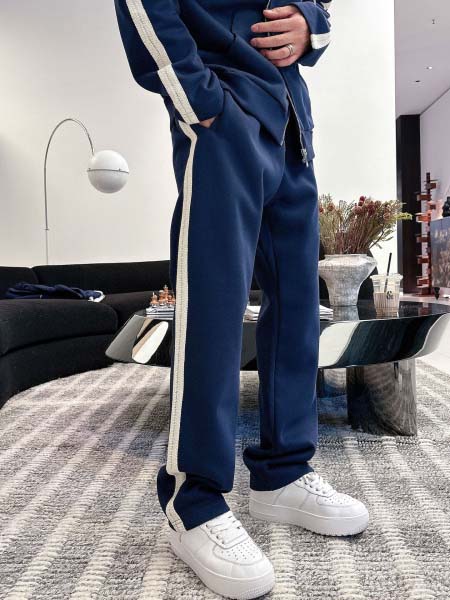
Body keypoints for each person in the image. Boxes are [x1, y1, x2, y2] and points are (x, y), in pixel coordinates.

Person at [114, 1, 369, 598]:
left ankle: (283, 471)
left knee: (300, 305)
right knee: (215, 306)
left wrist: (311, 25)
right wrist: (199, 100)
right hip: (222, 107)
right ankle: (193, 499)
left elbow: (321, 6)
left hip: (291, 124)